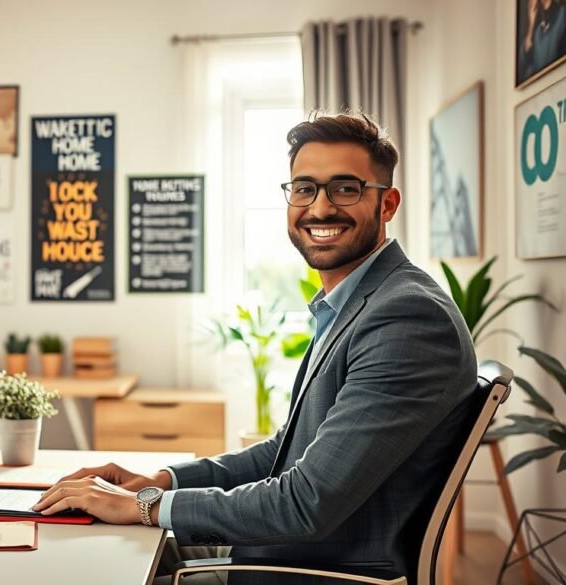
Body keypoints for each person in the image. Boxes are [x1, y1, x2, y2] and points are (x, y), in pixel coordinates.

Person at [32, 112, 477, 584]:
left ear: (387, 204)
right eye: (304, 188)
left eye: (345, 188)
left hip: (303, 573)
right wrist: (161, 481)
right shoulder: (360, 302)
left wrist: (143, 508)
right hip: (275, 557)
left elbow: (306, 503)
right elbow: (284, 453)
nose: (320, 208)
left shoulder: (406, 317)